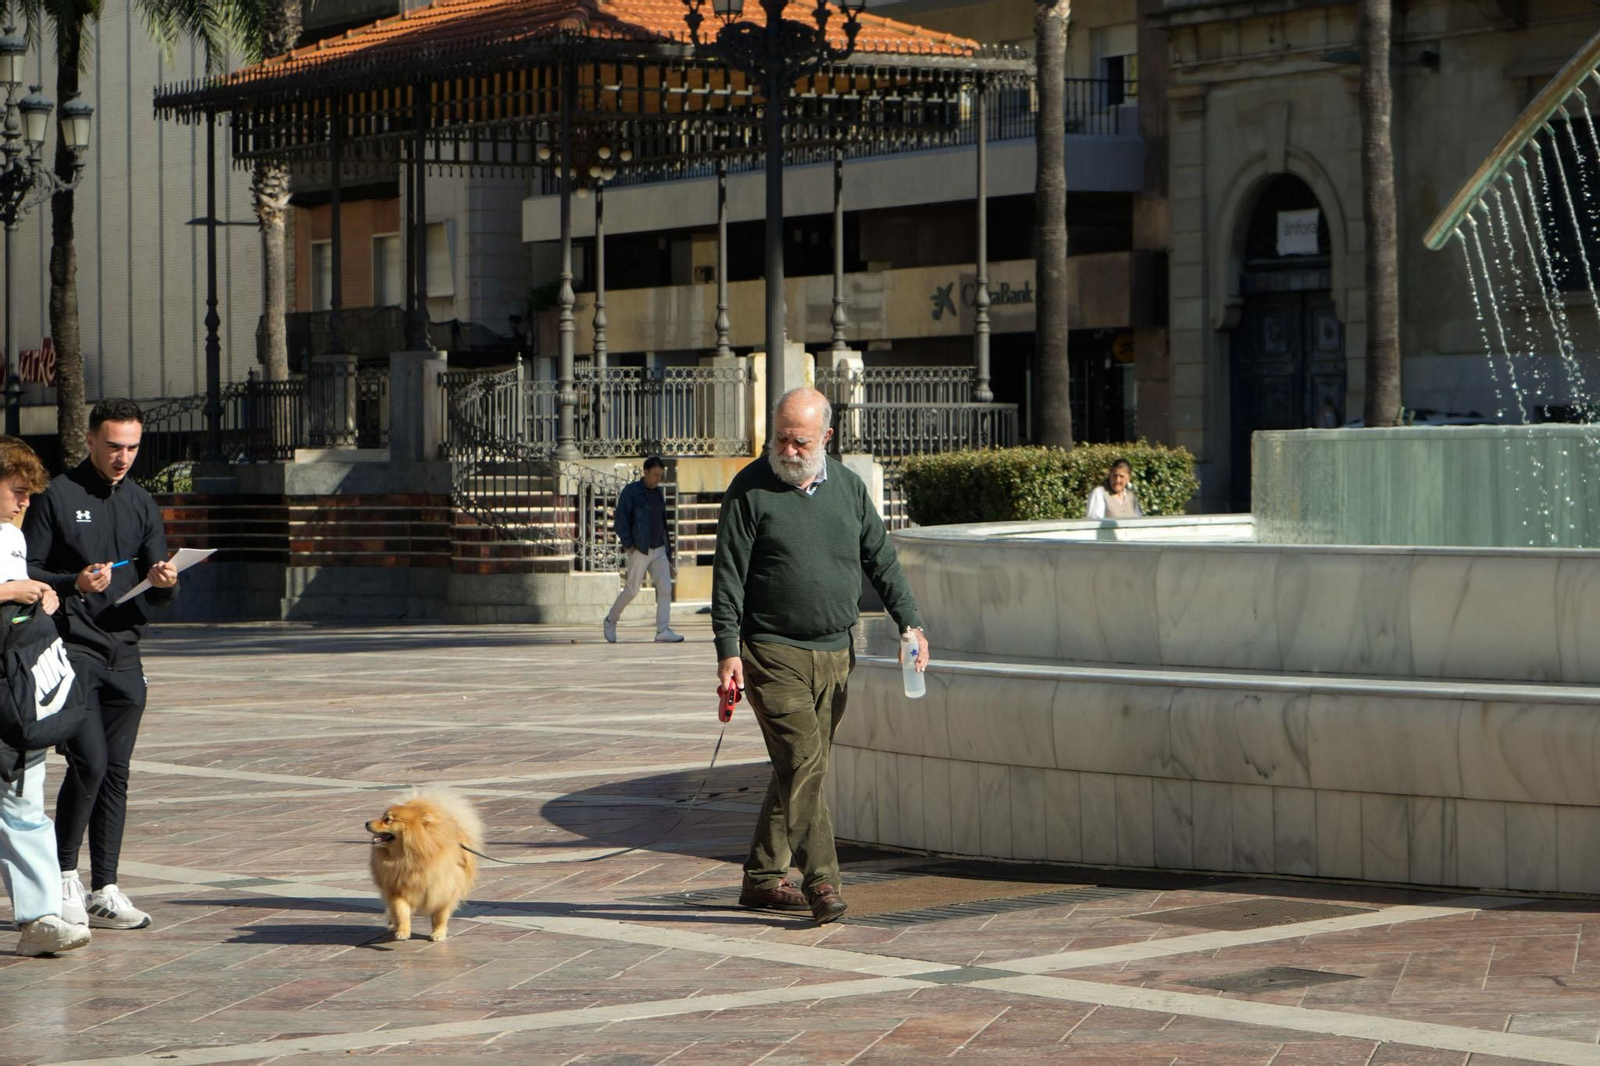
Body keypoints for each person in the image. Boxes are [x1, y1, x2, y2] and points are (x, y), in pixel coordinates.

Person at [712, 388, 928, 924]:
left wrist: (911, 623)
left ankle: (762, 878)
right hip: (771, 651)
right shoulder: (749, 490)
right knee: (804, 764)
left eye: (798, 441)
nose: (786, 449)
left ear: (826, 438)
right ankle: (824, 880)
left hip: (835, 652)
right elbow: (728, 577)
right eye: (779, 438)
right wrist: (727, 651)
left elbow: (881, 558)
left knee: (800, 768)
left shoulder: (850, 490)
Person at [25, 399, 178, 932]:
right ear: (90, 440)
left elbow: (156, 583)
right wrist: (74, 584)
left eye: (132, 447)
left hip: (125, 651)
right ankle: (64, 874)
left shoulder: (140, 501)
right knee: (87, 761)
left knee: (116, 770)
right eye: (113, 446)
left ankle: (105, 887)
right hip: (73, 649)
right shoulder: (56, 496)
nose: (122, 457)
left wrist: (165, 583)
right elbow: (31, 571)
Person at [0, 436, 92, 957]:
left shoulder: (11, 538)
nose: (24, 502)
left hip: (16, 690)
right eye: (17, 491)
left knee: (23, 803)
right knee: (20, 805)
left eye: (30, 494)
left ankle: (40, 918)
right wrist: (15, 591)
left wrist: (40, 596)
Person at [604, 455, 683, 644]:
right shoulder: (632, 492)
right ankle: (611, 620)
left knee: (665, 588)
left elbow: (663, 524)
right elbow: (621, 519)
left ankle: (663, 629)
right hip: (640, 548)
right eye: (655, 475)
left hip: (659, 549)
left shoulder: (658, 493)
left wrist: (668, 555)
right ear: (645, 472)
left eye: (660, 475)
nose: (658, 479)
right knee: (631, 589)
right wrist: (630, 544)